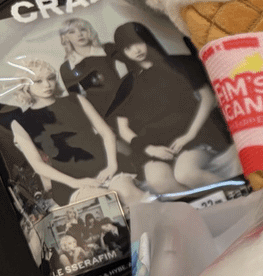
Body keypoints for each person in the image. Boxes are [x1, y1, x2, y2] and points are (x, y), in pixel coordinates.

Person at [111, 21, 239, 194]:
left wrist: (189, 135)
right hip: (150, 144)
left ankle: (236, 195)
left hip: (190, 135)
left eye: (138, 42)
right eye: (128, 48)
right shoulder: (126, 85)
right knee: (159, 182)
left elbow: (208, 98)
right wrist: (149, 149)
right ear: (123, 52)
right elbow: (123, 129)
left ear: (147, 39)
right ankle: (207, 207)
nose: (136, 50)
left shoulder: (178, 64)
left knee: (186, 174)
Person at [5, 58, 147, 208]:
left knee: (128, 193)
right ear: (25, 86)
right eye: (38, 81)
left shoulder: (76, 99)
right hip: (69, 181)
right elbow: (37, 165)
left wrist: (111, 165)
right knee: (105, 202)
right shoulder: (20, 123)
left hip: (105, 166)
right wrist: (75, 182)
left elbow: (107, 133)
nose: (47, 84)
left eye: (50, 78)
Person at [58, 18, 124, 118]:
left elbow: (135, 63)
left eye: (83, 29)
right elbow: (77, 100)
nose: (79, 34)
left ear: (89, 31)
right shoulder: (66, 67)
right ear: (65, 37)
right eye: (72, 32)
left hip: (124, 101)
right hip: (101, 113)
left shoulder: (107, 49)